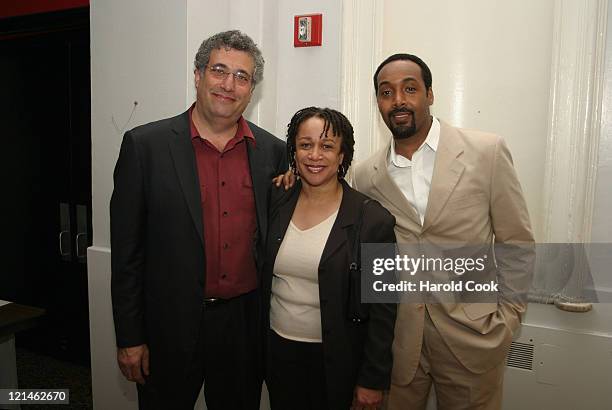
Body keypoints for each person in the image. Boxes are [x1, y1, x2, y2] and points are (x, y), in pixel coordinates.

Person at [110, 30, 287, 410]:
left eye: (242, 76)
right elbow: (127, 254)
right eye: (219, 70)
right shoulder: (145, 147)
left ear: (252, 89)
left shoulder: (273, 152)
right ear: (197, 75)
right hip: (166, 328)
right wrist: (129, 337)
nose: (229, 84)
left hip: (242, 328)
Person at [352, 54, 535, 409]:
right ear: (378, 102)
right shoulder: (366, 175)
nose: (398, 100)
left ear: (430, 94)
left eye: (410, 89)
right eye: (386, 92)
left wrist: (508, 320)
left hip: (474, 338)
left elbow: (517, 242)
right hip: (400, 345)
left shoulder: (486, 152)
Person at [262, 107, 397, 410]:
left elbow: (385, 310)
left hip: (338, 362)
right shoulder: (276, 199)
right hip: (278, 354)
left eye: (327, 146)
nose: (315, 155)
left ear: (342, 156)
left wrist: (372, 379)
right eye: (305, 145)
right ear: (293, 152)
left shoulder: (374, 220)